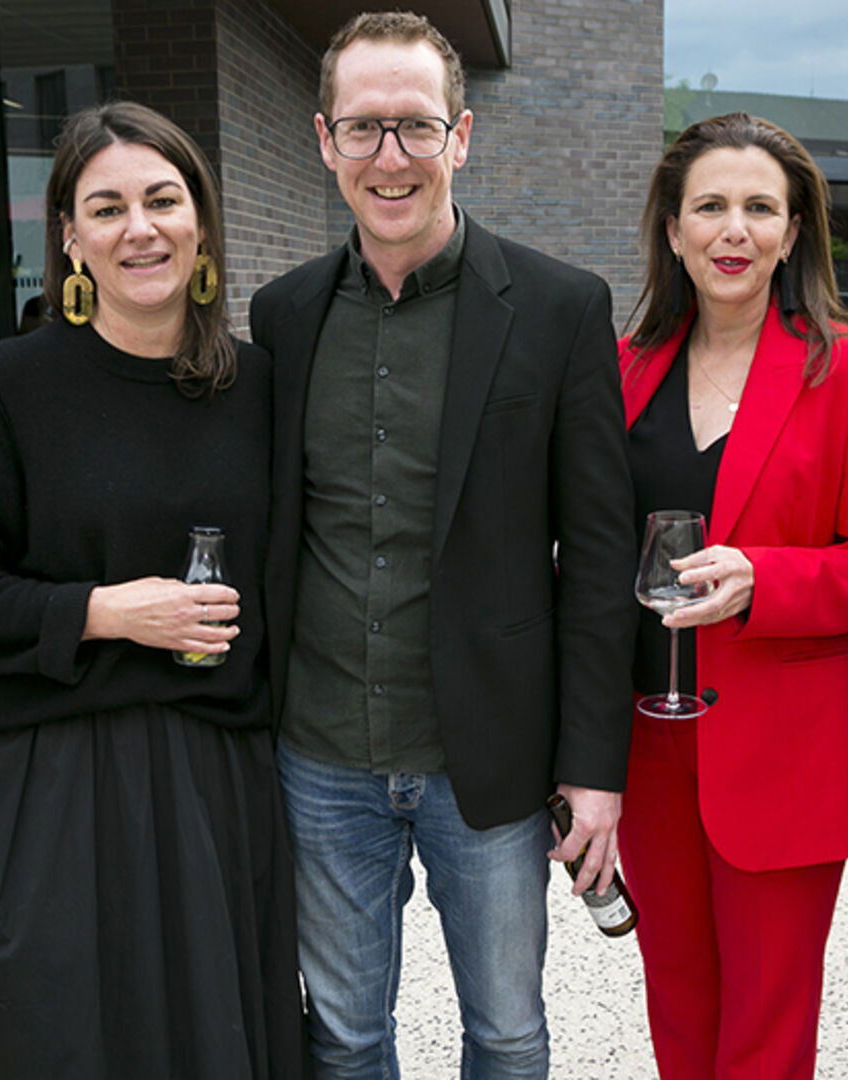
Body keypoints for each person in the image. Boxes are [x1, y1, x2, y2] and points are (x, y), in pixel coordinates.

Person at [249, 12, 637, 1077]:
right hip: (319, 752)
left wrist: (592, 768)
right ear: (324, 141)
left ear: (460, 137)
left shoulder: (558, 308)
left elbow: (599, 558)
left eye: (415, 126)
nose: (390, 157)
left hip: (492, 763)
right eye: (363, 128)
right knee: (341, 1036)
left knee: (507, 1033)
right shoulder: (282, 317)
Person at [0, 102, 303, 1079]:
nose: (140, 229)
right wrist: (100, 611)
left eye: (162, 200)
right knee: (71, 1040)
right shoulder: (8, 387)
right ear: (70, 237)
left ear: (199, 220)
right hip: (58, 776)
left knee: (218, 1041)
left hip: (220, 774)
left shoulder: (260, 387)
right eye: (107, 207)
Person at [615, 113, 848, 1079]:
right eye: (709, 207)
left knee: (765, 1028)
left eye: (759, 208)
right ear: (673, 230)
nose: (733, 230)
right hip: (646, 741)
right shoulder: (622, 371)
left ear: (792, 234)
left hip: (784, 745)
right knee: (677, 1007)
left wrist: (762, 579)